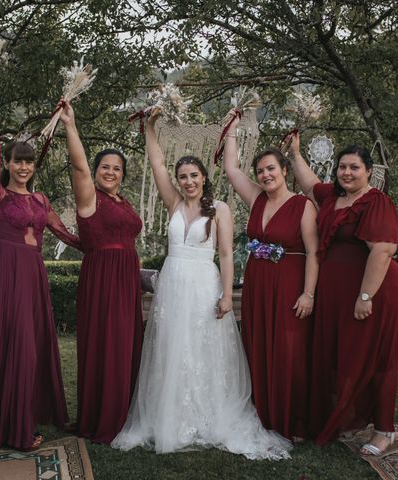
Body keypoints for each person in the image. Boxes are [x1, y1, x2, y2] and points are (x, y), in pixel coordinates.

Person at [111, 111, 291, 459]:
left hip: (203, 284)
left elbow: (226, 254)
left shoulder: (220, 209)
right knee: (171, 347)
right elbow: (157, 163)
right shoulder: (174, 203)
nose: (188, 181)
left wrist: (226, 294)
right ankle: (172, 415)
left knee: (202, 348)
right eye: (183, 176)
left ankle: (207, 414)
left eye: (194, 175)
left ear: (204, 177)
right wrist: (149, 128)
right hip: (173, 283)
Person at [0, 83, 81, 452]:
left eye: (29, 161)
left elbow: (66, 233)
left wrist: (105, 244)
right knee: (15, 348)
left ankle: (29, 416)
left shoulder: (41, 199)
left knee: (32, 349)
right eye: (18, 161)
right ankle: (13, 428)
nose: (24, 167)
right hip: (9, 277)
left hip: (34, 278)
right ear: (10, 165)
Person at [289, 135, 398, 454]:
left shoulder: (376, 201)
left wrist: (365, 297)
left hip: (375, 292)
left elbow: (382, 250)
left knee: (376, 359)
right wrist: (295, 154)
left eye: (354, 167)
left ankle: (384, 430)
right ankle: (340, 419)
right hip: (335, 296)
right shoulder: (332, 197)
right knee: (339, 357)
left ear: (369, 170)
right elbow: (309, 185)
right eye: (342, 167)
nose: (347, 172)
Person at [220, 111, 319, 442]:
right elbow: (232, 169)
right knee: (258, 345)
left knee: (289, 351)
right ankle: (263, 412)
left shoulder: (303, 206)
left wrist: (308, 294)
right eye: (260, 171)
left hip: (290, 284)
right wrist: (231, 128)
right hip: (258, 285)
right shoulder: (257, 200)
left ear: (285, 171)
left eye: (271, 169)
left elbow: (313, 253)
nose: (265, 175)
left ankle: (292, 419)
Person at [59, 100, 144, 444]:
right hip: (103, 279)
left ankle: (125, 411)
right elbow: (78, 166)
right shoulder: (89, 197)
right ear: (95, 172)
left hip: (126, 279)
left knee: (125, 344)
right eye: (105, 167)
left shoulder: (123, 202)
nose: (111, 172)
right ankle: (102, 416)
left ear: (123, 174)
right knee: (105, 344)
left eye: (117, 168)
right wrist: (70, 125)